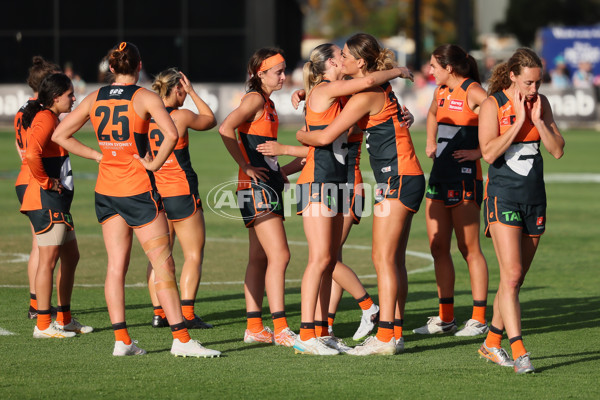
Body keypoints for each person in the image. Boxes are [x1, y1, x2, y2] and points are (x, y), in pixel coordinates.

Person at [52, 42, 220, 358]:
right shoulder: (145, 97)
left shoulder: (95, 97)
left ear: (112, 68)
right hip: (138, 190)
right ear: (139, 66)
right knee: (164, 262)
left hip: (106, 191)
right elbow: (171, 134)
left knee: (116, 267)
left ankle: (122, 341)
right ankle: (182, 341)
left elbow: (60, 134)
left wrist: (96, 155)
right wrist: (154, 165)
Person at [259, 44, 414, 355]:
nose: (345, 59)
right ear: (332, 62)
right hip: (317, 181)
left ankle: (323, 330)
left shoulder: (343, 96)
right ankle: (310, 332)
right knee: (322, 259)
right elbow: (323, 138)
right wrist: (399, 71)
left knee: (329, 259)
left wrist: (395, 112)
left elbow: (362, 110)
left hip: (338, 182)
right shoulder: (328, 91)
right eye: (340, 55)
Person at [297, 33, 425, 356]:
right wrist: (310, 92)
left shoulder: (366, 92)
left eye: (345, 54)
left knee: (381, 259)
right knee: (392, 260)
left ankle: (383, 336)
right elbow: (335, 102)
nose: (341, 58)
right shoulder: (370, 90)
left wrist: (298, 135)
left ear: (360, 63)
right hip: (401, 177)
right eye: (337, 55)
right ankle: (392, 332)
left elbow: (326, 134)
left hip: (395, 177)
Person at [478, 48, 565, 374]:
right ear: (513, 76)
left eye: (538, 82)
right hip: (503, 197)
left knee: (515, 280)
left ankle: (491, 343)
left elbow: (556, 151)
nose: (533, 89)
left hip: (535, 199)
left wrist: (539, 121)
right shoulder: (493, 105)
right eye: (528, 82)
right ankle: (520, 351)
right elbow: (488, 153)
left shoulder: (541, 104)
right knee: (512, 275)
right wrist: (517, 121)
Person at [218, 48, 296, 347]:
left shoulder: (267, 101)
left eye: (284, 69)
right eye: (278, 71)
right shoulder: (254, 99)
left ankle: (254, 327)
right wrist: (245, 166)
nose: (284, 76)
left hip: (266, 185)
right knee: (281, 255)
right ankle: (280, 328)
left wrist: (280, 171)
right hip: (256, 187)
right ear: (260, 73)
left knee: (260, 256)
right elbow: (225, 128)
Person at [413, 44, 489, 337]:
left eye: (433, 66)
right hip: (441, 175)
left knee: (468, 248)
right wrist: (430, 141)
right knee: (437, 246)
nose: (429, 71)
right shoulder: (440, 92)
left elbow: (503, 122)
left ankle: (480, 318)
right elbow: (432, 115)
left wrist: (479, 152)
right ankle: (446, 319)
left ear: (449, 68)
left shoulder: (473, 91)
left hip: (466, 178)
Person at [20, 72, 92, 338]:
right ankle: (42, 324)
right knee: (48, 261)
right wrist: (46, 182)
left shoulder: (52, 118)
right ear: (55, 97)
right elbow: (31, 153)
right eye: (69, 94)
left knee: (71, 257)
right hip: (45, 199)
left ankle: (64, 318)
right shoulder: (44, 118)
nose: (74, 98)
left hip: (57, 201)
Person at [146, 68, 216, 330]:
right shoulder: (181, 116)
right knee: (193, 254)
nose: (185, 94)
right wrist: (195, 92)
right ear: (177, 88)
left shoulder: (145, 117)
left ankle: (159, 313)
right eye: (183, 90)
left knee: (159, 256)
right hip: (181, 193)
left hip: (156, 193)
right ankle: (186, 313)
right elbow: (210, 120)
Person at [15, 56, 61, 320]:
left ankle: (37, 302)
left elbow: (21, 147)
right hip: (35, 178)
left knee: (38, 243)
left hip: (25, 175)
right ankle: (37, 304)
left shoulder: (22, 110)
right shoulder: (39, 112)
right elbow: (35, 149)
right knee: (40, 245)